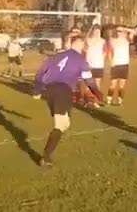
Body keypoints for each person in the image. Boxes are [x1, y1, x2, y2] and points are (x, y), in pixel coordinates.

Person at [33, 36, 103, 167]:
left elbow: (41, 71)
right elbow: (89, 80)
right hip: (63, 91)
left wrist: (37, 89)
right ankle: (46, 157)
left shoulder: (56, 55)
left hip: (49, 90)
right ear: (82, 46)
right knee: (60, 125)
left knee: (65, 124)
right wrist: (97, 93)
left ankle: (47, 154)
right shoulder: (81, 60)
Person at [106, 27, 132, 106]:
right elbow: (109, 52)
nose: (118, 33)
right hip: (115, 64)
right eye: (117, 31)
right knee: (112, 84)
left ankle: (120, 101)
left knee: (122, 85)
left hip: (124, 64)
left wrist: (124, 29)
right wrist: (111, 61)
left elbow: (133, 32)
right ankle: (109, 100)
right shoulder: (112, 40)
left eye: (120, 31)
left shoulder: (127, 40)